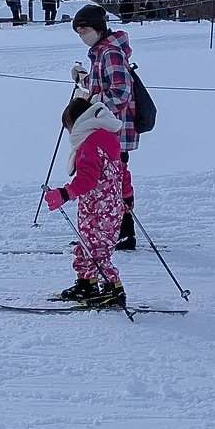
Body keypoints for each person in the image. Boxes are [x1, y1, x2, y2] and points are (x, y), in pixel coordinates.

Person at [44, 97, 128, 306]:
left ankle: (113, 290)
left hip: (99, 210)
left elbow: (87, 179)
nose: (70, 133)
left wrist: (64, 193)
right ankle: (86, 284)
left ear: (80, 122)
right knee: (86, 247)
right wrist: (127, 196)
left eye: (69, 127)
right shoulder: (108, 139)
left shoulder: (90, 145)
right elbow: (123, 172)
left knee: (97, 251)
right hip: (104, 208)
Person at [70, 3, 138, 251]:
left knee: (114, 178)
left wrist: (94, 104)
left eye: (84, 28)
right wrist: (83, 79)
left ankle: (124, 232)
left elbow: (120, 93)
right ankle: (108, 230)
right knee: (104, 180)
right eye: (78, 31)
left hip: (115, 129)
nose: (81, 34)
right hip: (105, 128)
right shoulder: (100, 52)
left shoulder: (110, 52)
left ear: (98, 28)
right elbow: (102, 84)